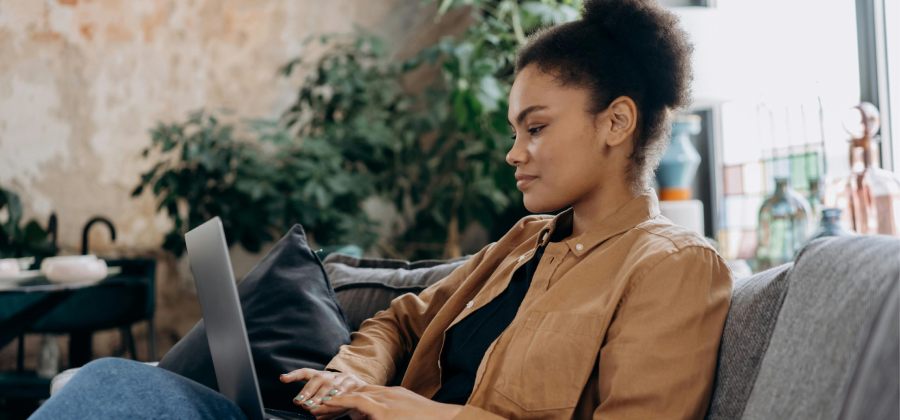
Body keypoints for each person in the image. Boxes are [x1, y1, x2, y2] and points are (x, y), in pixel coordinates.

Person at [29, 0, 732, 419]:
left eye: (536, 127)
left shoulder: (670, 268)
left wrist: (407, 409)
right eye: (514, 130)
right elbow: (402, 315)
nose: (513, 152)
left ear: (616, 123)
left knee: (111, 389)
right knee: (111, 384)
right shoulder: (524, 243)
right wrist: (356, 378)